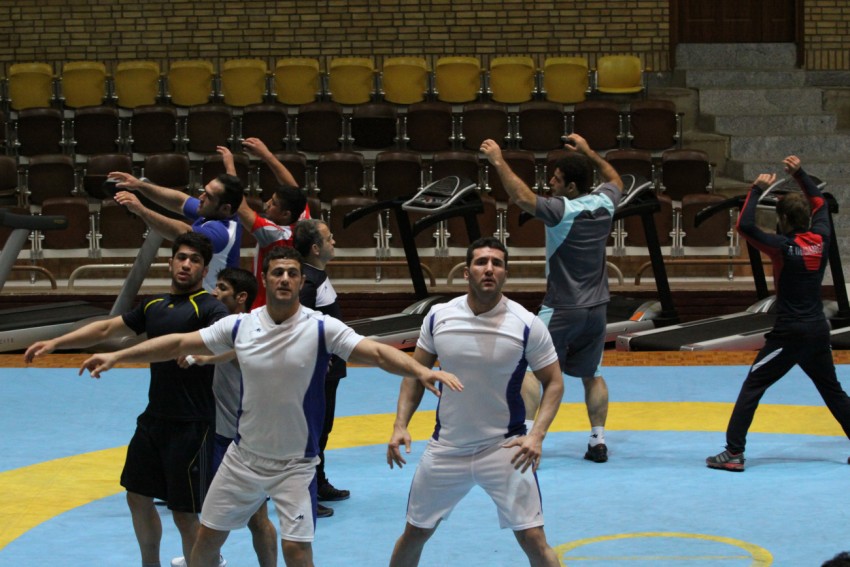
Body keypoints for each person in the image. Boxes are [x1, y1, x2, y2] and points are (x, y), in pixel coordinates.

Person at [78, 246, 463, 567]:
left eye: (292, 273)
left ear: (301, 281)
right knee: (206, 543)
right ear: (265, 278)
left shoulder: (321, 328)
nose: (284, 278)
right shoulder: (240, 326)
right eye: (277, 272)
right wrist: (118, 356)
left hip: (296, 465)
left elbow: (376, 352)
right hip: (243, 459)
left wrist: (420, 370)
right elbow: (179, 343)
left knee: (296, 552)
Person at [24, 232, 230, 567]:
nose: (186, 265)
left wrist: (200, 354)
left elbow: (222, 344)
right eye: (181, 257)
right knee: (136, 496)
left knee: (184, 513)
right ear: (170, 262)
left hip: (193, 424)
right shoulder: (153, 305)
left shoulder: (210, 309)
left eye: (195, 260)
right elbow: (107, 330)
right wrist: (56, 343)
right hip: (154, 419)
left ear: (204, 270)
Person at [387, 237, 564, 567]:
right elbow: (414, 374)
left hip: (505, 448)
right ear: (466, 272)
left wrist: (537, 435)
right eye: (481, 262)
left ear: (505, 273)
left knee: (534, 539)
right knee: (414, 533)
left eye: (497, 263)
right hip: (447, 448)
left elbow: (554, 382)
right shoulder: (438, 317)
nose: (489, 269)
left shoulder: (527, 324)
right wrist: (400, 425)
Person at [481, 134, 623, 463]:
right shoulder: (605, 203)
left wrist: (498, 160)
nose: (551, 184)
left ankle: (527, 439)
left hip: (562, 307)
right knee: (593, 374)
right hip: (597, 308)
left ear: (571, 187)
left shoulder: (561, 211)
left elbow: (521, 197)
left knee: (532, 370)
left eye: (557, 180)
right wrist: (589, 151)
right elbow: (615, 179)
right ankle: (598, 442)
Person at [707, 156, 850, 472]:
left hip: (789, 334)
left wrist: (756, 190)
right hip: (817, 330)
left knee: (754, 385)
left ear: (782, 219)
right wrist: (800, 174)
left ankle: (734, 452)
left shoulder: (781, 246)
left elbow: (744, 226)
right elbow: (820, 204)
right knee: (832, 390)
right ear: (807, 218)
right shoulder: (822, 239)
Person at [172, 267, 278, 567]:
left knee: (252, 518)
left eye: (221, 288)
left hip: (241, 438)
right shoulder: (224, 326)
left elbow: (237, 352)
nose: (214, 293)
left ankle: (210, 559)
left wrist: (204, 358)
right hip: (224, 432)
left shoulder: (249, 329)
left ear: (241, 297)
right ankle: (209, 557)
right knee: (230, 513)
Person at [109, 171, 244, 293]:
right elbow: (180, 201)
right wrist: (139, 185)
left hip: (215, 307)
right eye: (204, 191)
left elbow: (182, 232)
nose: (201, 197)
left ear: (225, 208)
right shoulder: (215, 212)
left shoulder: (222, 233)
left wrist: (141, 210)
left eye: (208, 196)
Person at [293, 219, 348, 518]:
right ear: (315, 248)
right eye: (329, 238)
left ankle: (319, 482)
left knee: (322, 428)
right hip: (318, 372)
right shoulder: (308, 282)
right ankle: (305, 493)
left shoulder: (318, 275)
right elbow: (300, 323)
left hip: (329, 369)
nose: (334, 242)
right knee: (311, 431)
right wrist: (317, 359)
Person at [217, 140, 309, 309]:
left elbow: (241, 207)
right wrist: (266, 155)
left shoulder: (273, 233)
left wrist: (230, 165)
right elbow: (292, 187)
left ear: (285, 214)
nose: (266, 204)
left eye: (273, 204)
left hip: (264, 306)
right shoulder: (303, 218)